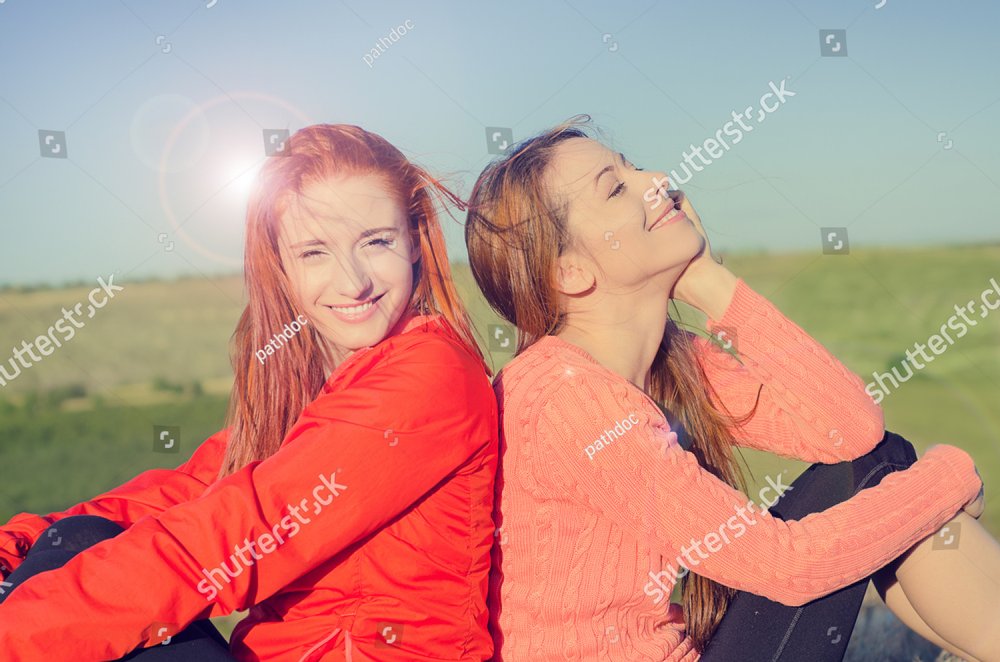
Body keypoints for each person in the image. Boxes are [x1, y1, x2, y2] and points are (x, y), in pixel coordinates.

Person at [464, 116, 1000, 661]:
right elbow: (788, 567)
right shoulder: (568, 399)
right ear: (572, 272)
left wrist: (707, 280)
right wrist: (951, 477)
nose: (658, 179)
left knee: (877, 464)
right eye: (617, 187)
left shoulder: (661, 359)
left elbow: (851, 432)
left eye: (632, 165)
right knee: (893, 480)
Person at [0, 124, 499, 661]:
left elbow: (237, 533)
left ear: (416, 242)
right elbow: (187, 492)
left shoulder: (430, 376)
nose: (352, 281)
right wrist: (16, 543)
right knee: (74, 539)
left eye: (376, 241)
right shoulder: (318, 383)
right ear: (280, 267)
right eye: (314, 253)